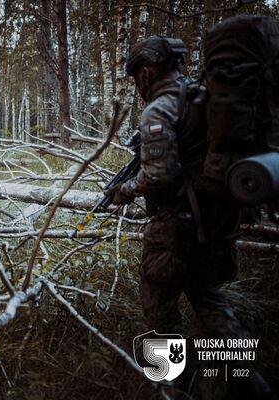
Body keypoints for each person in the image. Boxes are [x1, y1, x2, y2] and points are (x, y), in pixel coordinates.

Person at [105, 36, 272, 398]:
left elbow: (158, 174)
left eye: (137, 78)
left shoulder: (160, 110)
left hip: (175, 228)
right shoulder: (202, 97)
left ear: (146, 72)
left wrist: (124, 191)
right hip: (218, 222)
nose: (138, 86)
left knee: (158, 305)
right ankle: (252, 385)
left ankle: (170, 387)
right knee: (208, 298)